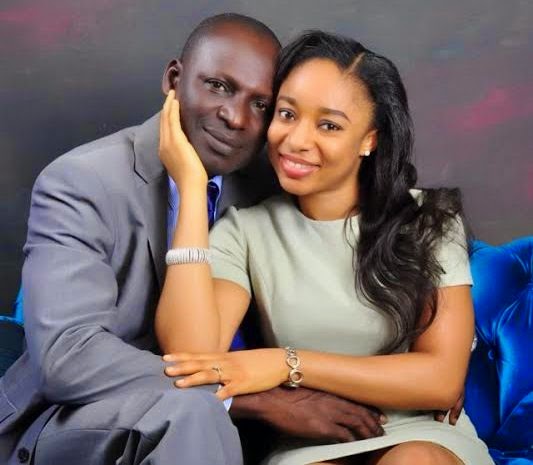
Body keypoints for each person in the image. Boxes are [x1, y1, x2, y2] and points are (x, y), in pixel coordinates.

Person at [0, 15, 392, 465]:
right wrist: (249, 399)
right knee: (194, 413)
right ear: (174, 80)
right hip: (67, 423)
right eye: (219, 87)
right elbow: (67, 357)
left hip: (209, 433)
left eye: (261, 105)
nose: (235, 117)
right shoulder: (83, 181)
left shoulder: (267, 185)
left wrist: (415, 372)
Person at [156, 31, 494, 465]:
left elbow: (440, 380)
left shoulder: (428, 220)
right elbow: (192, 357)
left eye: (329, 125)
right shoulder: (245, 231)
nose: (297, 140)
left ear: (369, 139)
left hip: (424, 436)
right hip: (308, 444)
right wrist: (191, 185)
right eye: (287, 114)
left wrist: (286, 363)